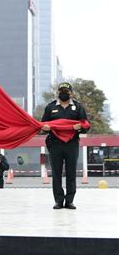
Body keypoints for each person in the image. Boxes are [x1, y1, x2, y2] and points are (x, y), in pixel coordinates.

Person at [41, 82, 89, 210]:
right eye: (61, 91)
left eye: (66, 91)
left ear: (71, 93)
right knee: (56, 173)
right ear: (58, 93)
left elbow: (85, 125)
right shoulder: (50, 107)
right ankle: (58, 200)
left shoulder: (78, 107)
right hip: (54, 144)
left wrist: (80, 128)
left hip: (71, 144)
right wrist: (45, 128)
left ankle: (69, 201)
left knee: (71, 173)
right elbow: (43, 125)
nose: (63, 93)